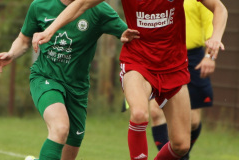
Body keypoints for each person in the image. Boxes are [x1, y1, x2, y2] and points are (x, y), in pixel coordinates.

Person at [32, 0, 228, 160]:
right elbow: (82, 3)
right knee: (140, 113)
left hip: (173, 67)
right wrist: (50, 29)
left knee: (181, 145)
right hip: (138, 62)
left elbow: (219, 7)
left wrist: (216, 37)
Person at [0, 0, 139, 160]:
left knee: (71, 144)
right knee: (60, 128)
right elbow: (23, 40)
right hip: (45, 78)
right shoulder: (40, 5)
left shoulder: (99, 9)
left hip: (77, 88)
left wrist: (125, 37)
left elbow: (128, 36)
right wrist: (11, 53)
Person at [150, 1, 215, 160]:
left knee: (192, 121)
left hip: (192, 58)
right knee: (155, 111)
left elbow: (212, 23)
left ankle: (179, 153)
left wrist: (210, 56)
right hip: (163, 56)